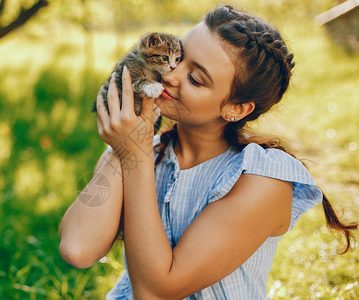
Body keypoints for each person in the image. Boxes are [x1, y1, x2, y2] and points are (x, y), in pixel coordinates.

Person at [58, 5, 357, 299]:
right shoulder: (141, 150)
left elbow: (155, 292)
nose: (170, 75)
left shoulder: (262, 179)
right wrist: (130, 140)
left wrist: (134, 156)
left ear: (235, 109)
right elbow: (77, 248)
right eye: (179, 58)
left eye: (196, 78)